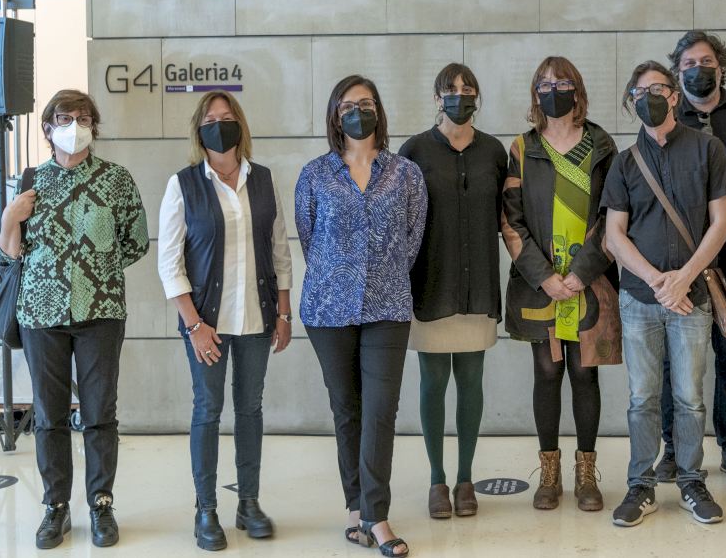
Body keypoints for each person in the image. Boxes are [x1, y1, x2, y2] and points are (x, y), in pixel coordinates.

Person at [0, 90, 149, 549]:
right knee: (50, 416)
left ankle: (101, 503)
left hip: (100, 313)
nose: (75, 126)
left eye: (83, 118)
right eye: (64, 118)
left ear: (94, 127)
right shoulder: (31, 182)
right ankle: (56, 507)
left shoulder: (116, 180)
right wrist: (10, 217)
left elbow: (136, 242)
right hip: (40, 313)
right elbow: (11, 254)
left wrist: (94, 271)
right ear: (48, 127)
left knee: (100, 413)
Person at [296, 76, 427, 557]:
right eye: (348, 106)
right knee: (346, 408)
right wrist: (341, 276)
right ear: (335, 115)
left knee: (380, 409)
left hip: (387, 305)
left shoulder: (406, 173)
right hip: (328, 308)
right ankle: (356, 509)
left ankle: (376, 515)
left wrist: (379, 275)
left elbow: (412, 239)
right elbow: (309, 238)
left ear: (379, 111)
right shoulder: (314, 174)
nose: (357, 112)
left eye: (366, 103)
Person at [158, 91, 294, 550]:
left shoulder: (264, 179)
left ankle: (248, 504)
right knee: (208, 409)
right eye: (210, 119)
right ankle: (206, 509)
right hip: (206, 324)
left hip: (257, 316)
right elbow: (169, 263)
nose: (220, 124)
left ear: (240, 124)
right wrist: (194, 326)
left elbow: (279, 250)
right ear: (200, 131)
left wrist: (283, 312)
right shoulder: (183, 184)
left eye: (227, 116)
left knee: (250, 408)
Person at [603, 60, 726, 527]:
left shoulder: (708, 149)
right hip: (640, 298)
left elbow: (722, 223)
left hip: (692, 297)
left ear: (675, 96)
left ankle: (692, 481)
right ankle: (640, 485)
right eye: (639, 93)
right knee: (642, 397)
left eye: (657, 89)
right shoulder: (624, 162)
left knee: (690, 396)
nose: (649, 98)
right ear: (630, 101)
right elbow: (614, 236)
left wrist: (683, 277)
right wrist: (660, 281)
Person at [501, 56, 619, 513]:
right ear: (536, 93)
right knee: (547, 372)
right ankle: (548, 474)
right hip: (540, 284)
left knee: (584, 372)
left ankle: (586, 473)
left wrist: (580, 273)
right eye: (546, 84)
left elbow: (613, 215)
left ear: (578, 90)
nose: (554, 90)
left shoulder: (601, 144)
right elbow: (511, 219)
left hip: (591, 281)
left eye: (563, 82)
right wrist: (546, 277)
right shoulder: (522, 148)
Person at [399, 64, 507, 520]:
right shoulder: (414, 151)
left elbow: (507, 216)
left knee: (471, 382)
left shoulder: (495, 152)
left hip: (478, 284)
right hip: (430, 284)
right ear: (436, 98)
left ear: (477, 97)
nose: (459, 96)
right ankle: (436, 480)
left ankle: (465, 479)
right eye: (450, 89)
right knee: (433, 383)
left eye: (467, 89)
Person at [656, 30, 726, 482]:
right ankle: (673, 448)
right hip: (679, 258)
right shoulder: (666, 112)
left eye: (706, 62)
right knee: (674, 361)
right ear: (677, 73)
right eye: (688, 65)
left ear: (721, 68)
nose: (698, 70)